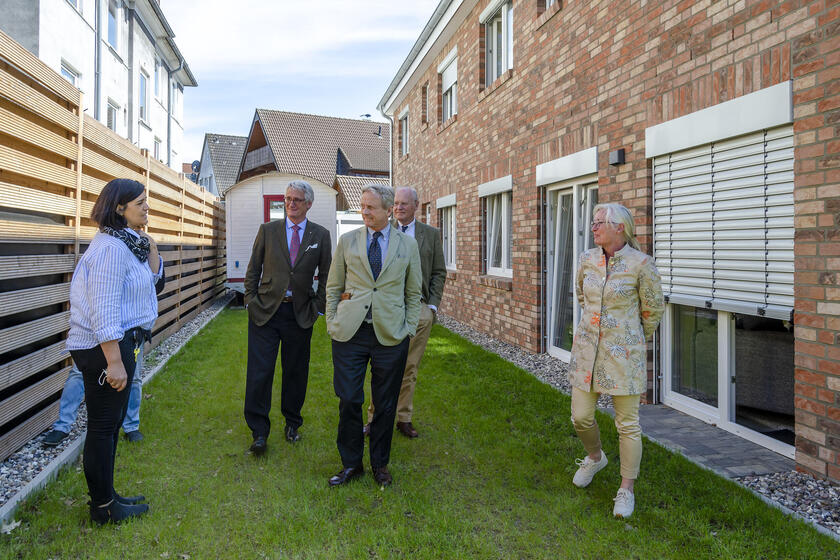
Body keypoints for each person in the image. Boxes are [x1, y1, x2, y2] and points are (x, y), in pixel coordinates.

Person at [66, 178, 162, 525]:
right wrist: (115, 362)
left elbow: (150, 283)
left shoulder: (128, 243)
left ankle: (108, 496)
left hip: (121, 342)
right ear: (120, 208)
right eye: (141, 203)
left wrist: (151, 248)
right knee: (103, 428)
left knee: (111, 425)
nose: (147, 207)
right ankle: (104, 508)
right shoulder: (110, 248)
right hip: (104, 346)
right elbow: (103, 309)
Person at [568, 202, 664, 519]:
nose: (593, 227)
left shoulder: (641, 264)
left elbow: (652, 310)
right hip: (587, 352)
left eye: (600, 222)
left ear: (619, 227)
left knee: (627, 425)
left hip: (624, 355)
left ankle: (626, 489)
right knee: (580, 417)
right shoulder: (586, 260)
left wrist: (630, 338)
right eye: (593, 222)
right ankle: (595, 457)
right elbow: (582, 297)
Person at [325, 184, 422, 487]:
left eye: (370, 207)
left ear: (389, 210)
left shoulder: (407, 246)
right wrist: (331, 321)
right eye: (362, 207)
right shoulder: (348, 241)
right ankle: (351, 464)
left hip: (391, 335)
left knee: (385, 403)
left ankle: (380, 464)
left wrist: (407, 329)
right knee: (350, 398)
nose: (364, 212)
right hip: (350, 333)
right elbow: (332, 286)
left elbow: (413, 291)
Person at [243, 180, 332, 455]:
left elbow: (328, 275)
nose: (291, 204)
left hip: (300, 314)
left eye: (297, 200)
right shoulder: (268, 230)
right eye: (288, 199)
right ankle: (259, 431)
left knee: (295, 372)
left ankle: (292, 423)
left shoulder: (320, 235)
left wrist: (318, 307)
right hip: (266, 312)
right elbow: (253, 268)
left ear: (309, 204)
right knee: (260, 373)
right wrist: (250, 301)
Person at [365, 187, 446, 439]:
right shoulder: (381, 233)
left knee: (409, 367)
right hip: (386, 308)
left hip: (418, 309)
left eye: (404, 203)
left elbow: (438, 272)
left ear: (416, 205)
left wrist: (431, 306)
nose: (399, 207)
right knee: (381, 367)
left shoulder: (430, 235)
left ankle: (403, 417)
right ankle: (374, 418)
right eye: (396, 203)